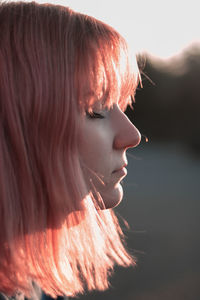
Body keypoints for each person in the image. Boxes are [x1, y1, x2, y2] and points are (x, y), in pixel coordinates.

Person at [0, 1, 141, 299]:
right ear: (18, 122)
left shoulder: (25, 280)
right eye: (95, 109)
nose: (131, 135)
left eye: (121, 105)